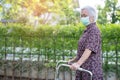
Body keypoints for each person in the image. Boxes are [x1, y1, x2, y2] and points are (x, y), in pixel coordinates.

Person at [68, 6, 103, 80]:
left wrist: (78, 64)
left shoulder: (94, 31)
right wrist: (73, 60)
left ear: (92, 18)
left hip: (91, 69)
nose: (82, 18)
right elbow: (82, 52)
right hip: (82, 68)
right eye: (81, 16)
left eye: (84, 16)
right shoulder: (86, 31)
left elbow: (88, 50)